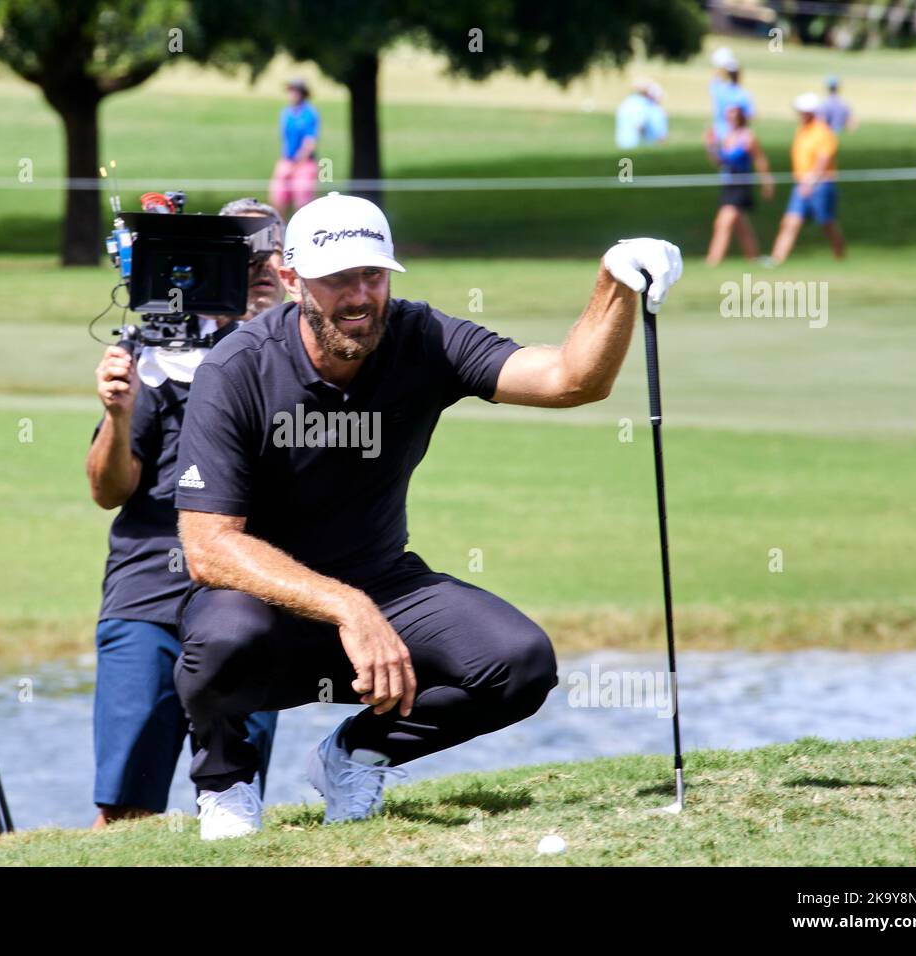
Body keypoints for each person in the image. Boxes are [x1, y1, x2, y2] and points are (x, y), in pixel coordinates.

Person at [169, 191, 684, 840]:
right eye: (338, 280)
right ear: (293, 279)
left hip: (384, 581)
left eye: (373, 275)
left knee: (519, 663)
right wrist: (349, 608)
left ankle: (356, 757)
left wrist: (614, 283)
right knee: (222, 640)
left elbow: (569, 379)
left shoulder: (423, 337)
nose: (360, 297)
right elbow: (208, 548)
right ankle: (226, 784)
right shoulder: (237, 367)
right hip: (262, 601)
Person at [86, 198, 287, 827]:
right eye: (241, 255)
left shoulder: (308, 359)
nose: (257, 266)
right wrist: (119, 416)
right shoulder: (160, 350)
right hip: (148, 587)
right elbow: (108, 490)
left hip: (250, 595)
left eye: (269, 252)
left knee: (233, 806)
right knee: (125, 805)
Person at [770, 93, 845, 265]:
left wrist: (811, 182)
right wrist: (804, 183)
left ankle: (840, 256)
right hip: (801, 184)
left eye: (804, 112)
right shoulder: (802, 131)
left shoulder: (823, 132)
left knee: (827, 223)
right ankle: (777, 259)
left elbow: (823, 160)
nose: (801, 115)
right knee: (790, 222)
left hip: (821, 184)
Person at [704, 104, 774, 265]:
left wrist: (767, 182)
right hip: (729, 183)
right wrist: (711, 145)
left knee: (723, 222)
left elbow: (758, 159)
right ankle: (754, 258)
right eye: (729, 115)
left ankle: (713, 260)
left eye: (734, 115)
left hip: (741, 184)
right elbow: (720, 161)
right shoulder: (728, 137)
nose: (731, 118)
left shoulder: (748, 137)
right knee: (741, 225)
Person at [269, 78, 319, 217]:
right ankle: (281, 233)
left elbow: (310, 143)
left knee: (303, 204)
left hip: (304, 162)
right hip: (287, 160)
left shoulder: (309, 113)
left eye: (294, 91)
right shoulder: (286, 113)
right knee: (277, 200)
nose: (291, 94)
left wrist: (296, 164)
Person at [708, 47, 754, 143]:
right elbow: (750, 116)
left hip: (719, 135)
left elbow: (715, 77)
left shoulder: (718, 90)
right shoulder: (744, 95)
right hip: (736, 138)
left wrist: (722, 66)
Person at [614, 80, 668, 150]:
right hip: (634, 143)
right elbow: (639, 125)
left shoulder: (627, 102)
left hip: (622, 142)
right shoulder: (641, 104)